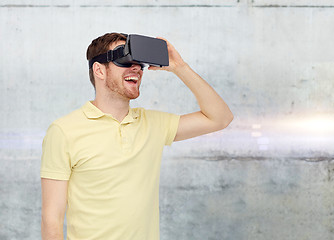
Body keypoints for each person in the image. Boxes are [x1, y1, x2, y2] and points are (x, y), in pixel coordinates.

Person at [40, 32, 233, 240]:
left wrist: (180, 68)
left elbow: (220, 118)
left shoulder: (153, 124)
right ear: (99, 70)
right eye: (125, 60)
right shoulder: (64, 131)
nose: (136, 68)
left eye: (139, 63)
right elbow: (52, 219)